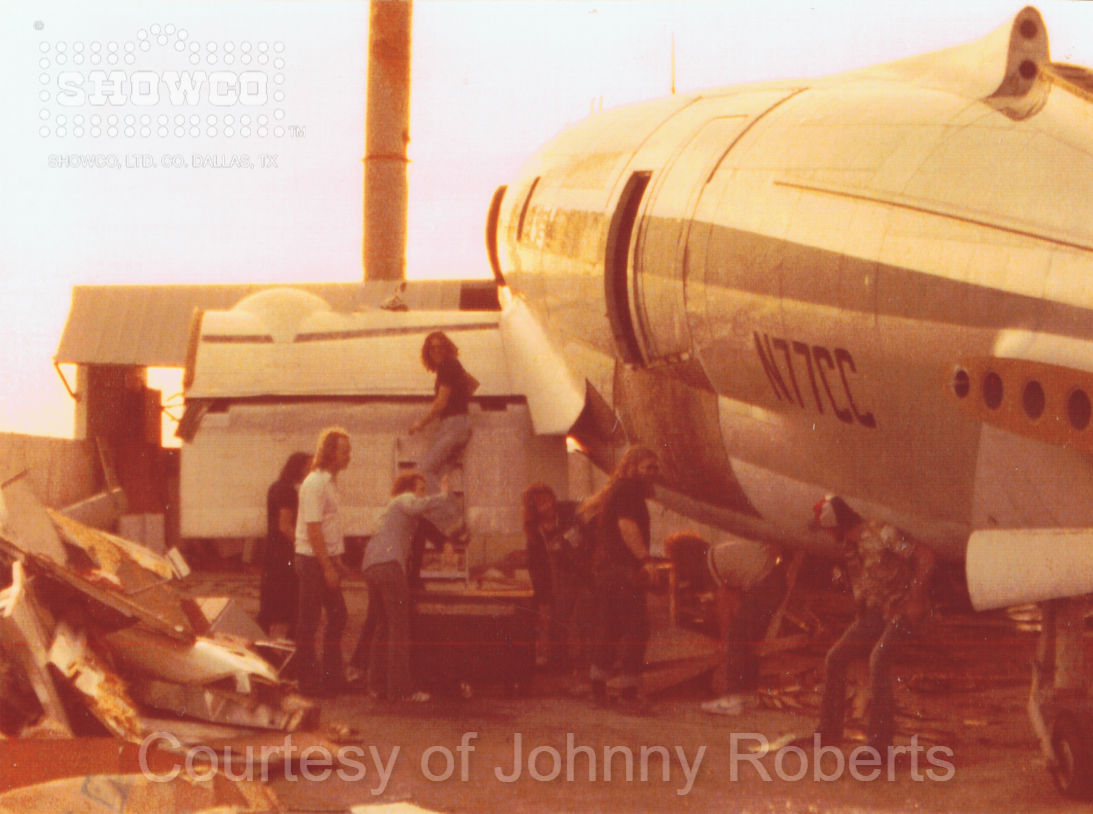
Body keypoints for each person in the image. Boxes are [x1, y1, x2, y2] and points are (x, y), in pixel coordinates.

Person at [813, 494, 936, 753]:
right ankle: (828, 733)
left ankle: (879, 746)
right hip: (879, 611)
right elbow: (862, 590)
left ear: (837, 526)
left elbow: (926, 558)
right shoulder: (849, 547)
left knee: (878, 660)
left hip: (906, 609)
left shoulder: (883, 533)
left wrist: (916, 598)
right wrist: (857, 632)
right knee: (836, 656)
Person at [664, 533, 787, 716]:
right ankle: (748, 695)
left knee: (736, 638)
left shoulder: (709, 563)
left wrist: (726, 641)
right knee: (747, 639)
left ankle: (733, 698)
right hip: (773, 580)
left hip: (765, 583)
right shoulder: (719, 553)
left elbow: (723, 606)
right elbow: (735, 601)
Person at [359, 471, 451, 703]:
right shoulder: (404, 500)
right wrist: (443, 495)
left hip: (371, 567)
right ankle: (401, 690)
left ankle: (377, 685)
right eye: (420, 488)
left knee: (383, 626)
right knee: (399, 628)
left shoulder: (389, 510)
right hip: (390, 568)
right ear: (408, 489)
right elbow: (417, 505)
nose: (422, 494)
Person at [580, 446, 660, 709]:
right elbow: (627, 527)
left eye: (654, 468)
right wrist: (646, 561)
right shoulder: (628, 490)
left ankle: (598, 690)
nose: (652, 473)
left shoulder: (615, 489)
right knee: (635, 630)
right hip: (623, 570)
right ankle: (628, 694)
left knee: (608, 629)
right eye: (648, 467)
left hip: (606, 571)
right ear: (633, 466)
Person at [294, 428, 355, 698]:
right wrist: (327, 566)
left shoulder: (329, 482)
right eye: (345, 451)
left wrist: (336, 560)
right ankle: (308, 682)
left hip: (323, 559)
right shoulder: (315, 483)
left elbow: (329, 527)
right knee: (309, 621)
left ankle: (332, 677)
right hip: (311, 560)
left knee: (338, 614)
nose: (349, 456)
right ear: (330, 453)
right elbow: (313, 528)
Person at [408, 331, 477, 533]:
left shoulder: (447, 365)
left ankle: (455, 520)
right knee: (440, 477)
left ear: (446, 348)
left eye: (440, 346)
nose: (436, 350)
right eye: (432, 347)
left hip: (453, 425)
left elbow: (441, 402)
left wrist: (421, 422)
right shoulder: (452, 367)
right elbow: (472, 386)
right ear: (428, 352)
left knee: (423, 471)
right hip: (461, 425)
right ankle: (452, 523)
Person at [522, 483, 592, 676]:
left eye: (549, 500)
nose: (548, 506)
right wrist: (543, 594)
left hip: (587, 572)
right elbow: (536, 565)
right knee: (559, 619)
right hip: (563, 576)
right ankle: (560, 667)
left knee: (586, 619)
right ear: (533, 509)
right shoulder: (535, 532)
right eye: (541, 504)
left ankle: (587, 667)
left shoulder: (570, 511)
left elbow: (591, 516)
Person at [257, 451, 311, 639]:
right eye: (307, 467)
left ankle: (261, 642)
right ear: (298, 467)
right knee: (291, 603)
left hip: (271, 551)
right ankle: (289, 645)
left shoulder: (275, 487)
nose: (309, 471)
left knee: (269, 603)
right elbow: (285, 526)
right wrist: (304, 545)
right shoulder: (288, 491)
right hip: (283, 555)